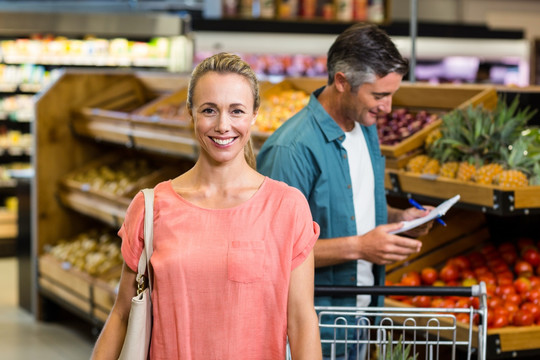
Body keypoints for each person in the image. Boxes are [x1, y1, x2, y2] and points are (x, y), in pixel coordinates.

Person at [91, 52, 322, 360]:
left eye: (237, 111)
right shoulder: (151, 207)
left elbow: (302, 321)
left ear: (254, 114)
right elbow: (121, 314)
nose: (223, 125)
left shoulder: (286, 207)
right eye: (209, 110)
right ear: (191, 113)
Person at [257, 23, 435, 359]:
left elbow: (353, 206)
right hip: (313, 328)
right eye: (379, 95)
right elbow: (270, 255)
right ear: (341, 82)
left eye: (391, 94)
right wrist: (360, 247)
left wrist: (400, 218)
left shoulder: (363, 128)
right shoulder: (291, 149)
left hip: (361, 316)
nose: (388, 108)